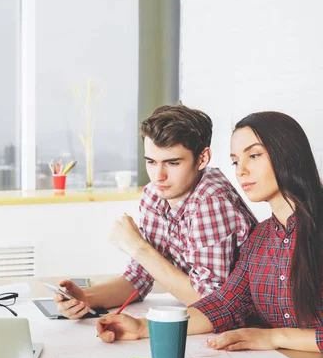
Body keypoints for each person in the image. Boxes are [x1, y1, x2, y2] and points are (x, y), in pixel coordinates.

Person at [97, 111, 323, 353]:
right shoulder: (261, 239)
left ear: (288, 155)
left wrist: (276, 337)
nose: (241, 171)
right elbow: (224, 305)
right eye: (236, 161)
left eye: (254, 155)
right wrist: (143, 327)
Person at [55, 104, 257, 319]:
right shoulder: (155, 195)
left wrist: (137, 247)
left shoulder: (211, 201)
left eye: (172, 163)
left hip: (250, 327)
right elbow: (138, 278)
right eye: (151, 162)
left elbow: (212, 304)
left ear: (202, 159)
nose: (158, 176)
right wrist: (86, 297)